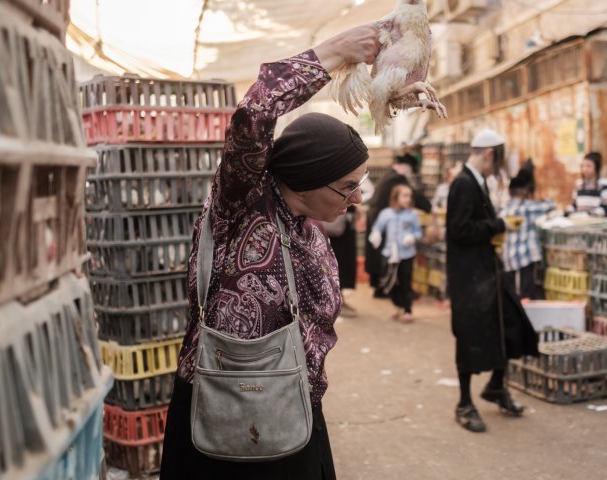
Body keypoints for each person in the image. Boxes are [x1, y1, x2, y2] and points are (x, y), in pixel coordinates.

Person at [159, 25, 383, 479]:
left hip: (294, 408)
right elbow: (254, 115)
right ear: (306, 178)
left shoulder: (309, 229)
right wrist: (333, 53)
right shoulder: (241, 206)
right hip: (225, 408)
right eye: (348, 186)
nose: (358, 198)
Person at [446, 128, 539, 433]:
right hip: (470, 278)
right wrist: (498, 224)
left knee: (512, 323)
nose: (498, 167)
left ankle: (497, 385)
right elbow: (459, 231)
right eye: (497, 160)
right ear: (489, 154)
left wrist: (495, 232)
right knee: (470, 337)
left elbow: (472, 227)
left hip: (487, 271)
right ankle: (464, 402)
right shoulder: (463, 183)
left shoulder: (476, 181)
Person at [365, 155, 431, 296]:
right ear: (405, 167)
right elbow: (413, 196)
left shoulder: (388, 176)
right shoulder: (397, 179)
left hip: (379, 220)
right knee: (390, 260)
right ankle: (394, 291)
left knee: (382, 258)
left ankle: (382, 288)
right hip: (387, 223)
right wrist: (429, 207)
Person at [368, 184, 423, 323]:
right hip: (389, 253)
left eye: (410, 196)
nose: (408, 199)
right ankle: (398, 305)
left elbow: (418, 232)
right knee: (390, 282)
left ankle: (407, 309)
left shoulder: (412, 214)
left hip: (406, 254)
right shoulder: (386, 213)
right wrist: (375, 234)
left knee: (406, 282)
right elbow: (377, 227)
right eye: (404, 195)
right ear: (395, 197)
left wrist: (413, 237)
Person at [500, 167, 555, 300]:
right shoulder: (528, 207)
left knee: (511, 294)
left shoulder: (504, 210)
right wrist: (537, 197)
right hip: (526, 256)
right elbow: (550, 205)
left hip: (509, 256)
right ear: (525, 191)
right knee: (527, 294)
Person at [323, 205, 361, 317]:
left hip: (345, 234)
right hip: (336, 238)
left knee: (344, 267)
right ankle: (335, 303)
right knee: (336, 267)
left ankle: (340, 300)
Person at [566, 151, 607, 217]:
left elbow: (604, 208)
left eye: (589, 166)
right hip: (580, 222)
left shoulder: (604, 183)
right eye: (583, 166)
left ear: (596, 167)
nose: (585, 169)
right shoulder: (578, 184)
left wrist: (588, 215)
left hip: (597, 223)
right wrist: (566, 212)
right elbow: (574, 205)